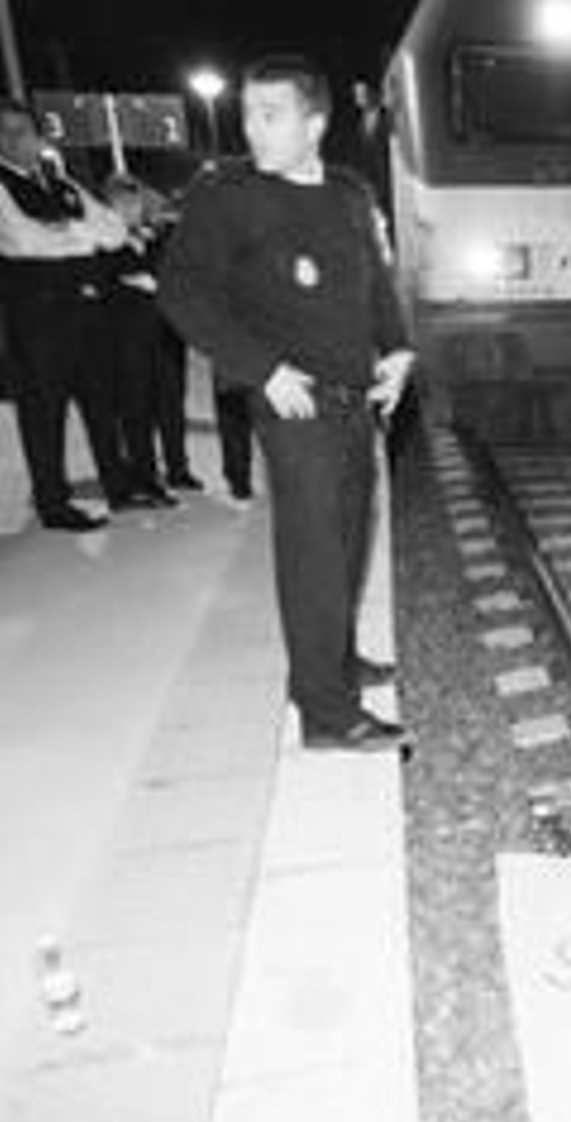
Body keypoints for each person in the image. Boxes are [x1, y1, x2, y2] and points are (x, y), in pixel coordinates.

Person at [159, 55, 415, 753]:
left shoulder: (349, 192)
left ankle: (334, 662)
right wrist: (262, 371)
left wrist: (398, 350)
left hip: (354, 401)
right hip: (293, 405)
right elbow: (182, 291)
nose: (253, 129)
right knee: (312, 557)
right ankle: (326, 712)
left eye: (270, 115)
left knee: (350, 543)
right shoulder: (228, 195)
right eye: (248, 114)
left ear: (315, 123)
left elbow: (375, 283)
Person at [0, 99, 162, 530]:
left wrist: (68, 234)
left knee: (100, 404)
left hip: (85, 313)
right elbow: (22, 239)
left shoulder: (63, 182)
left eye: (23, 130)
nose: (15, 140)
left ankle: (119, 487)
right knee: (44, 413)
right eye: (5, 131)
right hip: (37, 320)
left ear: (39, 136)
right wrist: (79, 235)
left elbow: (113, 229)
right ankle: (52, 502)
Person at [100, 174, 191, 502]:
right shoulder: (102, 244)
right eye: (121, 203)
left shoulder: (158, 238)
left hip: (166, 336)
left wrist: (151, 280)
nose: (130, 209)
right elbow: (98, 287)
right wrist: (132, 283)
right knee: (137, 410)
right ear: (109, 208)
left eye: (134, 202)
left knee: (171, 405)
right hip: (126, 340)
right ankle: (146, 477)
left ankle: (179, 469)